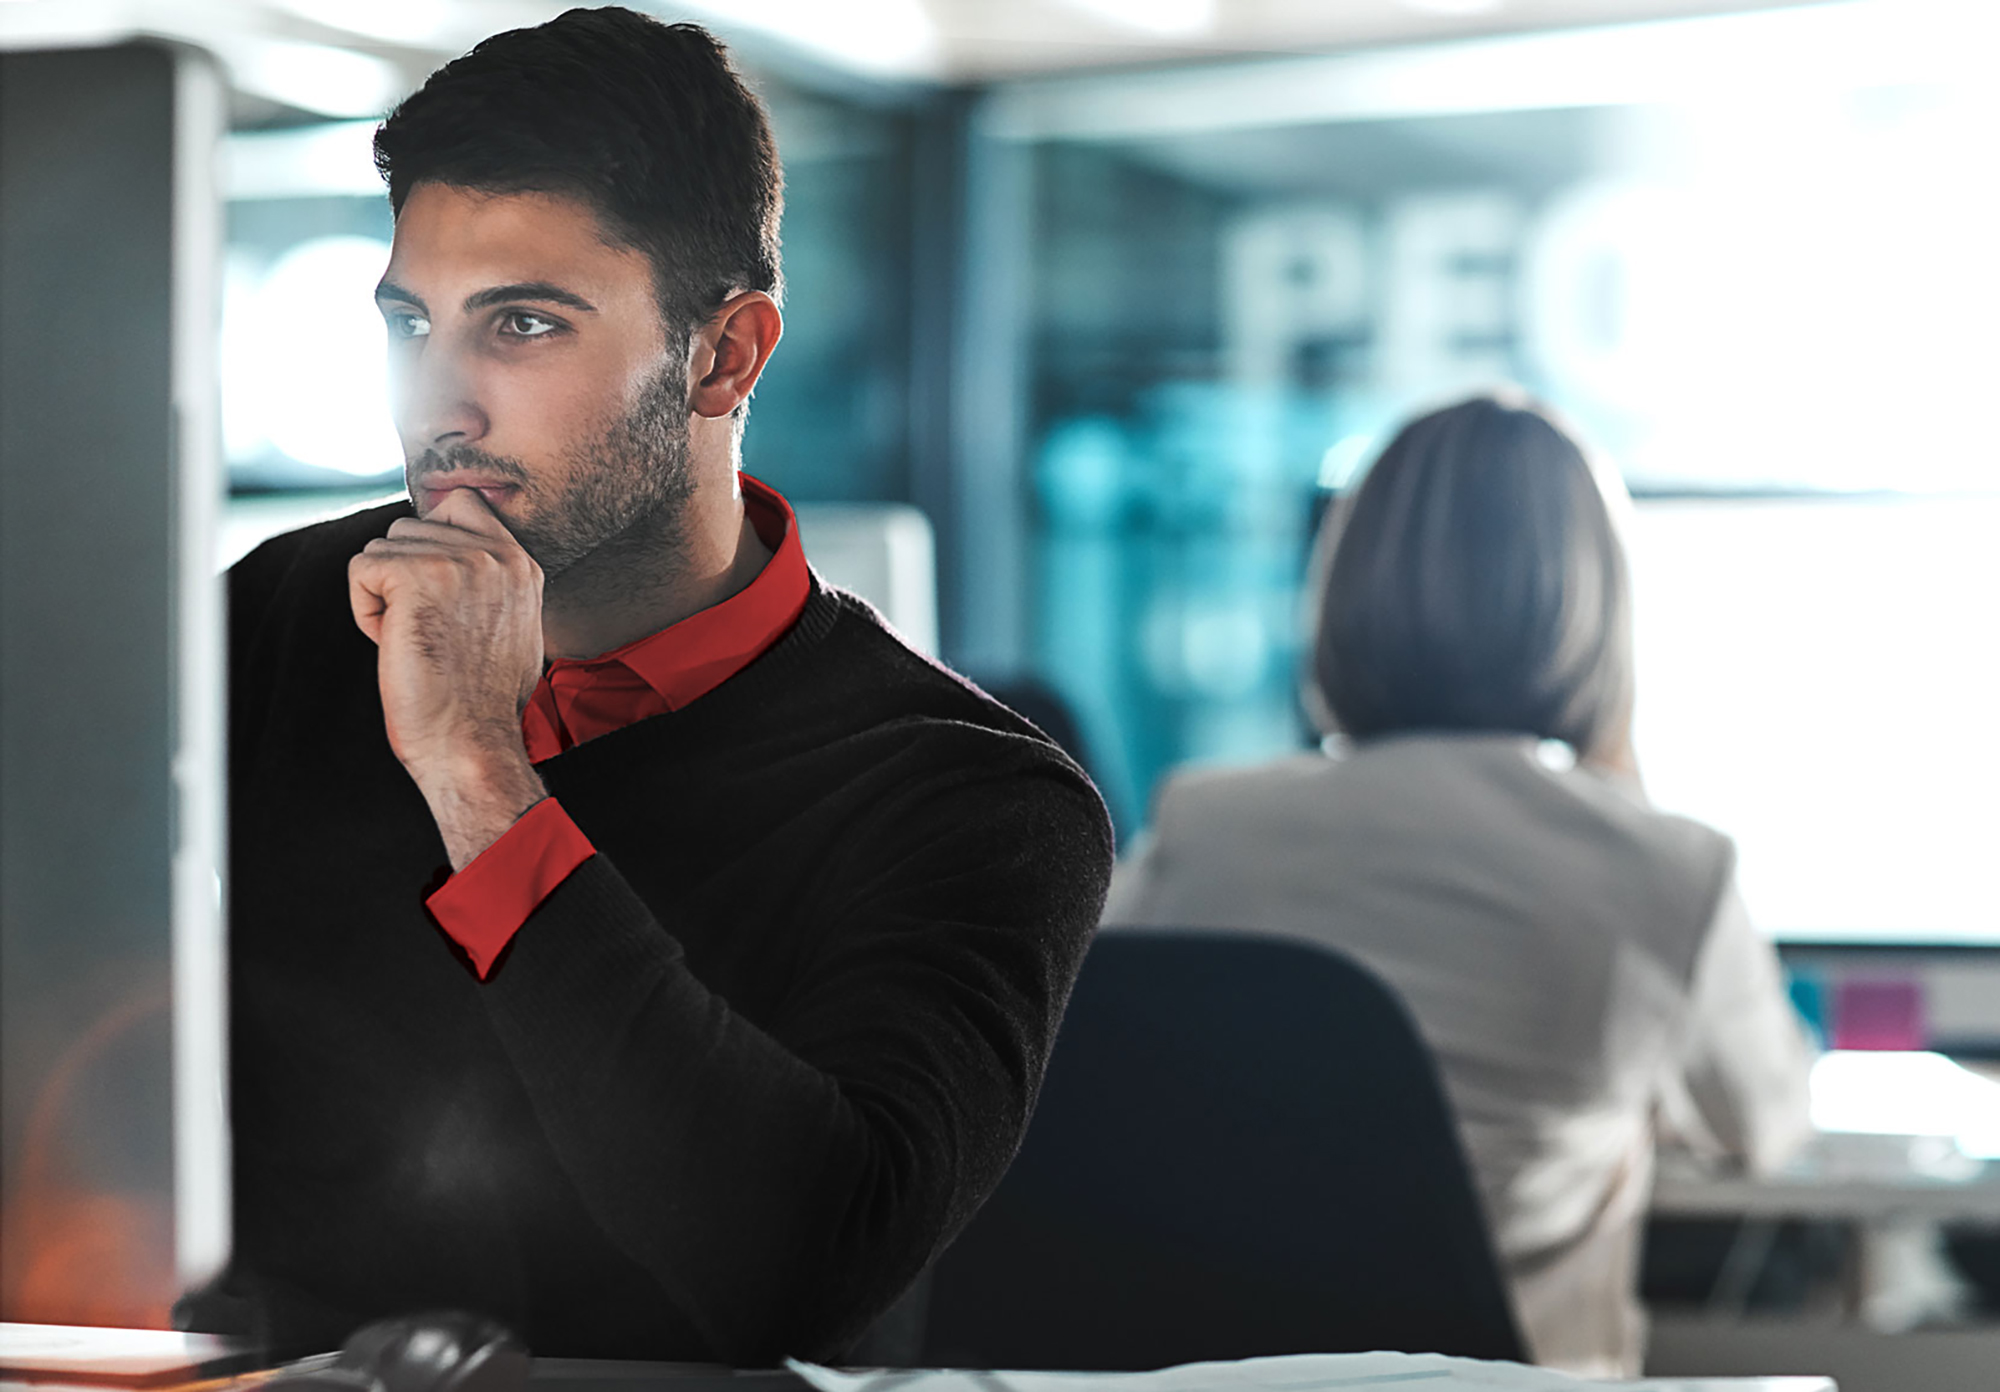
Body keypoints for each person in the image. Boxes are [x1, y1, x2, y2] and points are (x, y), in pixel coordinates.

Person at [197, 7, 1112, 1366]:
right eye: (411, 320)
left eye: (521, 323)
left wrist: (479, 777)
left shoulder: (975, 796)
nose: (437, 399)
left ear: (724, 355)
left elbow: (800, 1269)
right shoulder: (279, 619)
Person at [1101, 393, 1812, 1378]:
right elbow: (1765, 1128)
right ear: (1597, 610)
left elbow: (1094, 1088)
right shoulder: (1665, 869)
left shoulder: (1203, 825)